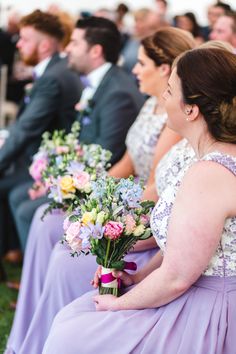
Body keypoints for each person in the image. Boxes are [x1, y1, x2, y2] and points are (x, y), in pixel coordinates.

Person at [5, 27, 195, 354]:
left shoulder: (173, 121)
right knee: (48, 220)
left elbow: (154, 186)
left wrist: (112, 224)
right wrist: (90, 196)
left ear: (164, 69)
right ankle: (34, 319)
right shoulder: (149, 107)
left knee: (65, 254)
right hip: (132, 201)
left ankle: (53, 332)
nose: (133, 68)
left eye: (142, 63)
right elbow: (126, 161)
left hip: (146, 216)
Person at [42, 48, 236, 354]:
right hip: (194, 289)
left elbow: (177, 277)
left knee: (73, 333)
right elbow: (182, 249)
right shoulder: (211, 162)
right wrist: (138, 276)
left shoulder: (209, 174)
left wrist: (118, 304)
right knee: (73, 319)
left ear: (191, 110)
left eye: (170, 91)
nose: (164, 99)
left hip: (212, 309)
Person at [8, 16, 144, 252]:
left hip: (106, 185)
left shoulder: (117, 93)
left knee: (26, 208)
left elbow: (107, 155)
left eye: (75, 43)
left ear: (95, 51)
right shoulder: (99, 81)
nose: (68, 48)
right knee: (20, 195)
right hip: (82, 172)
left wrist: (62, 184)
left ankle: (42, 274)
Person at [0, 10, 82, 260]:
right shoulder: (54, 71)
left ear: (44, 45)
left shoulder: (52, 78)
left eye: (24, 39)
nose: (18, 43)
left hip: (47, 165)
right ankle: (13, 250)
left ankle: (24, 263)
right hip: (40, 157)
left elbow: (26, 129)